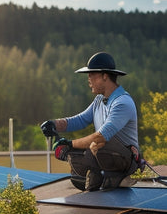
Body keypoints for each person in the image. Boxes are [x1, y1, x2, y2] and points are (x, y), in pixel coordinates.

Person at [40, 52, 139, 191]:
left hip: (127, 161)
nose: (88, 78)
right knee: (74, 153)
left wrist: (70, 143)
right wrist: (54, 124)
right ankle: (100, 177)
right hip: (106, 155)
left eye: (92, 74)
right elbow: (80, 120)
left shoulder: (122, 102)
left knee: (99, 142)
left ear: (105, 76)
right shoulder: (99, 100)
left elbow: (101, 136)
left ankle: (117, 177)